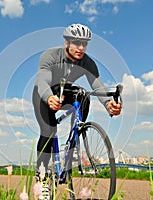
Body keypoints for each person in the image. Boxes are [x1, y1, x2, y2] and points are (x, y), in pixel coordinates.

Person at [32, 23, 122, 175]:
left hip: (64, 91)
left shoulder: (88, 63)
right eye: (76, 43)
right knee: (49, 130)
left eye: (84, 44)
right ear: (66, 42)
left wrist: (108, 104)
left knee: (84, 96)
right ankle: (42, 177)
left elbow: (98, 87)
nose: (81, 48)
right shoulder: (51, 56)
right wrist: (48, 98)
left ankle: (73, 144)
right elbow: (42, 81)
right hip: (43, 94)